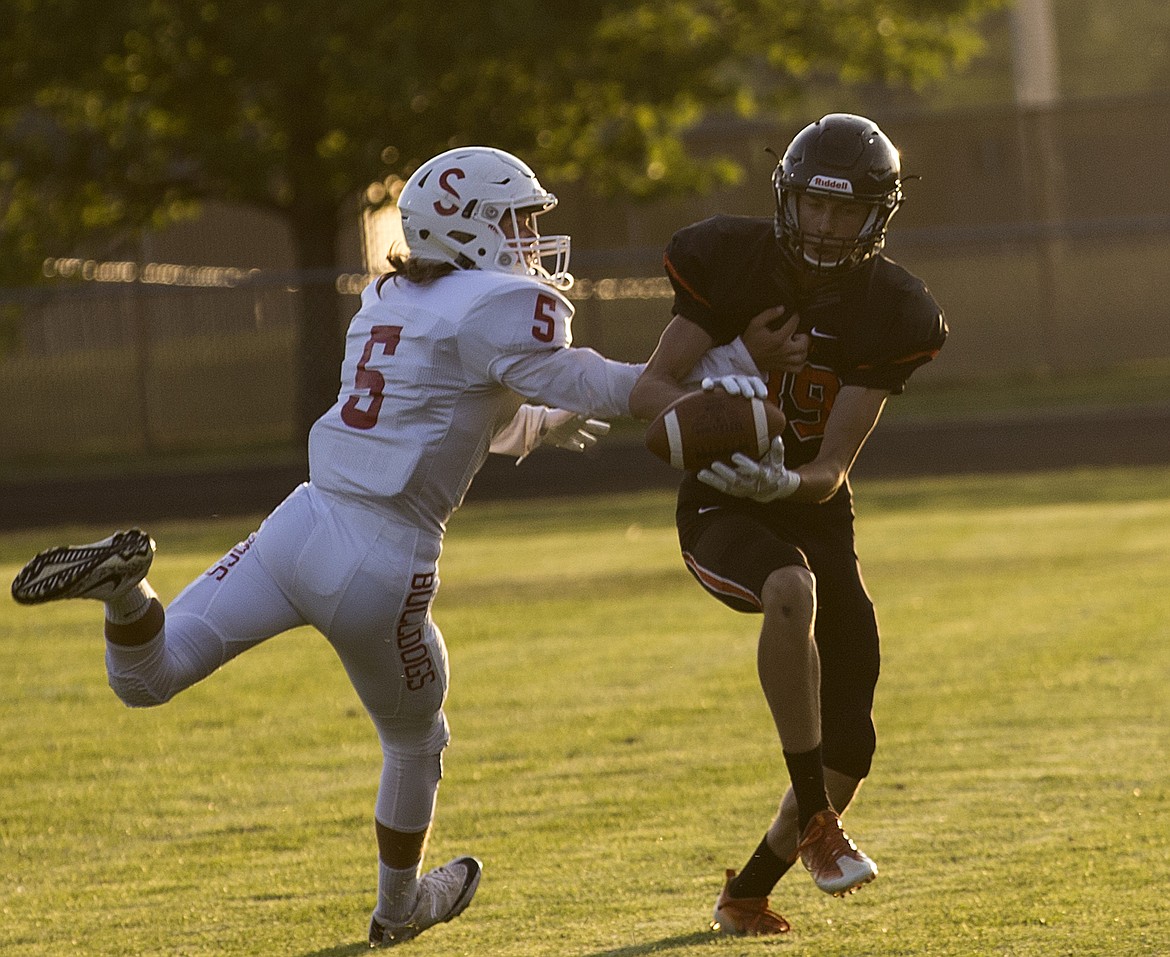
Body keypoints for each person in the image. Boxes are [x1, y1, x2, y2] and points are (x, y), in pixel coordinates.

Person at [10, 145, 764, 948]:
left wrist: (541, 423)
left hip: (302, 521)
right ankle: (399, 908)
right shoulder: (505, 302)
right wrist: (706, 383)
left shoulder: (391, 295)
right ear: (469, 226)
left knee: (149, 679)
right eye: (515, 219)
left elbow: (454, 406)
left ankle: (125, 592)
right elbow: (593, 383)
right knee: (416, 738)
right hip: (384, 560)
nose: (529, 238)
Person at [629, 113, 948, 936]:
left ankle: (747, 892)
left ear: (878, 216)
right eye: (816, 205)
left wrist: (787, 475)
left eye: (848, 211)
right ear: (788, 199)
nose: (828, 225)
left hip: (810, 507)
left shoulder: (892, 309)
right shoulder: (732, 262)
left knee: (853, 738)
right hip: (721, 498)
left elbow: (831, 467)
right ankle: (819, 823)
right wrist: (734, 383)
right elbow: (650, 393)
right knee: (788, 587)